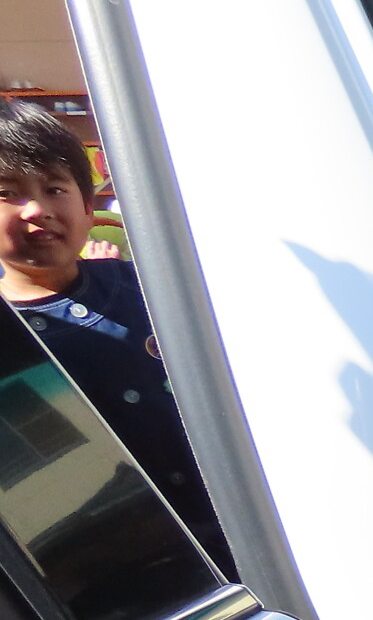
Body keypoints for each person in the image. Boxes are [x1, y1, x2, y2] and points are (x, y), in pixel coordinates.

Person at [0, 97, 232, 571]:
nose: (37, 209)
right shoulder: (10, 344)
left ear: (89, 207)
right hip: (126, 573)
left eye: (55, 188)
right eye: (8, 192)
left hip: (242, 530)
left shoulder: (152, 289)